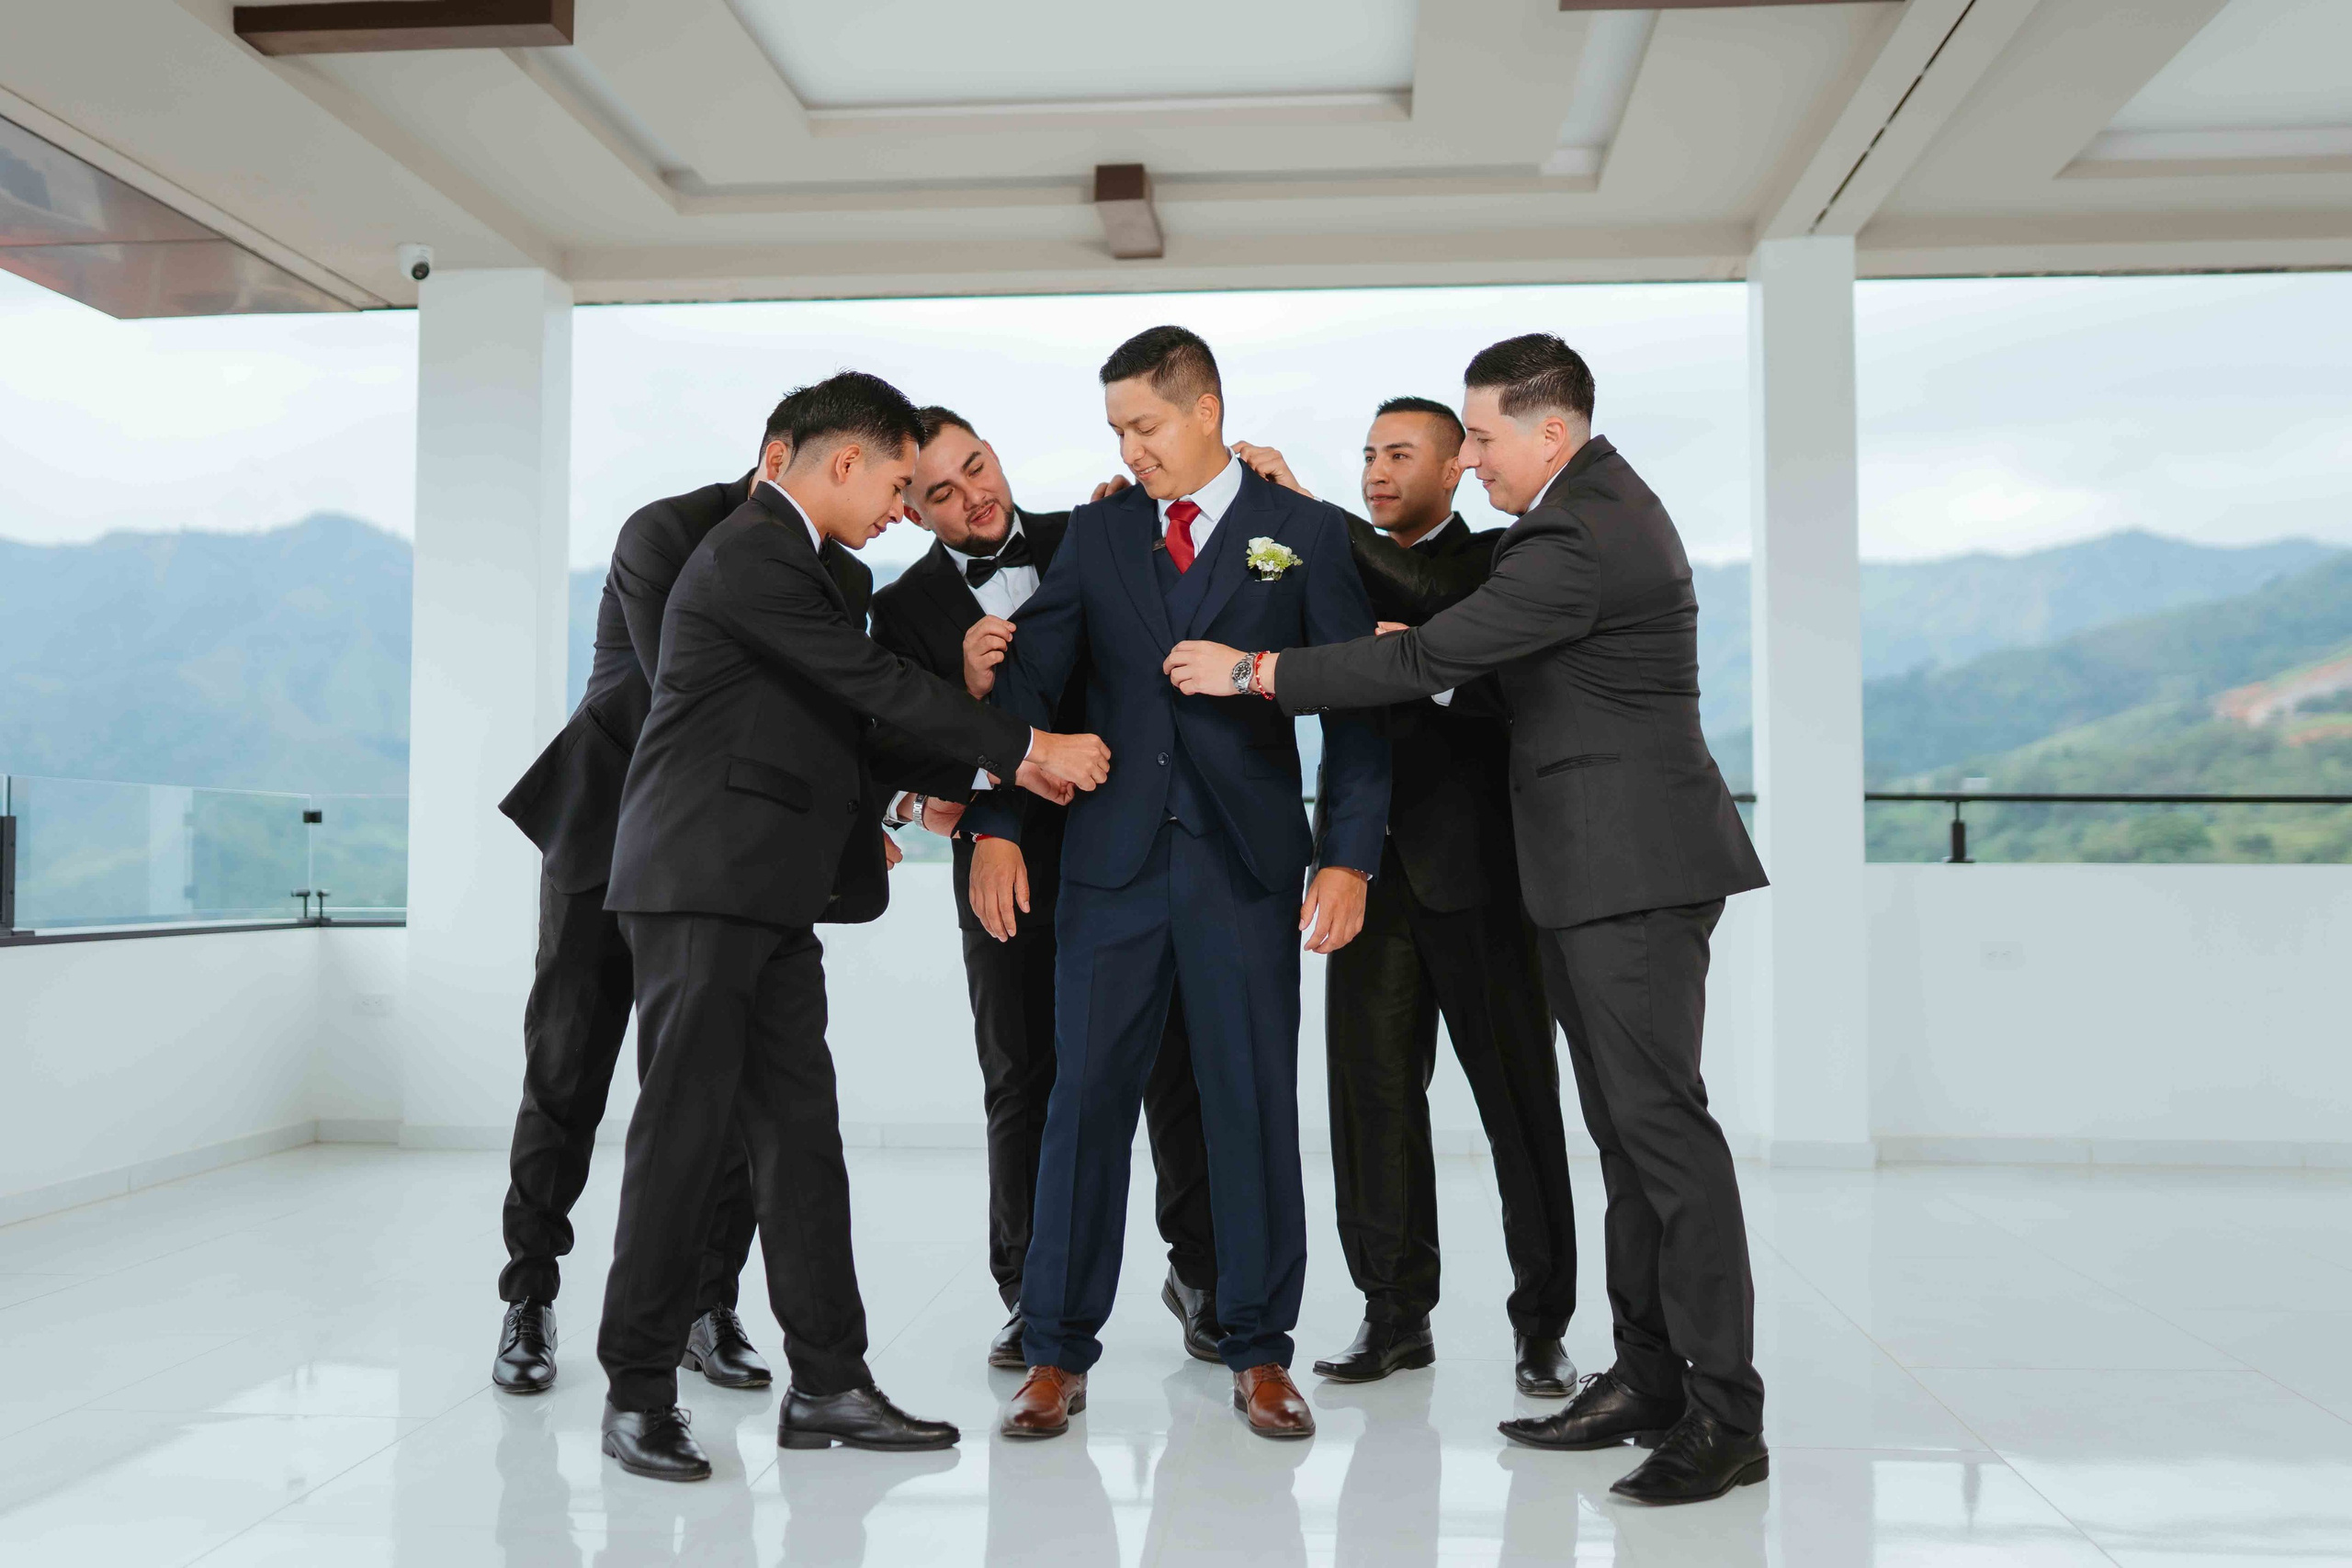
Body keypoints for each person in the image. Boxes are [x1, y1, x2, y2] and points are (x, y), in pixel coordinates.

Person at [1164, 334, 1770, 1506]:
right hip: (1598, 871)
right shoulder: (1594, 514)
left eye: (1483, 438)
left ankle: (1725, 1415)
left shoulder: (1569, 530)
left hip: (1628, 871)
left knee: (1664, 1143)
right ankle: (1649, 1380)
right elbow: (1517, 674)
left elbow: (1438, 654)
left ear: (1551, 431)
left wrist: (1254, 674)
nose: (1473, 458)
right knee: (1625, 1140)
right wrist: (1436, 662)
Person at [592, 371, 1112, 1482]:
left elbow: (849, 729)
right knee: (682, 1139)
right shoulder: (750, 553)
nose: (900, 509)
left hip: (772, 891)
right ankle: (635, 1392)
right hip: (700, 883)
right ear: (842, 463)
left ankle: (829, 1383)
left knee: (799, 1142)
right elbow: (870, 683)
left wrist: (962, 776)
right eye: (895, 484)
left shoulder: (815, 567)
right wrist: (1023, 747)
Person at [963, 326, 1390, 1441]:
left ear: (1205, 409)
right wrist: (999, 824)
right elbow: (1038, 685)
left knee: (1250, 1104)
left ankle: (1258, 1349)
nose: (1130, 449)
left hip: (1244, 871)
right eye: (1117, 431)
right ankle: (1054, 1352)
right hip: (1108, 870)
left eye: (1144, 426)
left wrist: (1347, 856)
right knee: (1082, 1106)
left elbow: (1355, 705)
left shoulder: (1302, 533)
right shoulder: (1100, 532)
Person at [1229, 398, 1579, 1397]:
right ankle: (1393, 1313)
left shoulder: (1500, 560)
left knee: (1519, 1107)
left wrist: (1304, 507)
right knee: (1370, 1103)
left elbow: (1473, 647)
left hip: (1482, 881)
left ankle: (1542, 1326)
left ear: (1459, 465)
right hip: (1364, 876)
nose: (1377, 472)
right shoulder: (1334, 571)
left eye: (1400, 454)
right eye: (1368, 455)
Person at [868, 407, 1223, 1370]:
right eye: (941, 492)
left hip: (1134, 845)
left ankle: (1202, 1274)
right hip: (1003, 860)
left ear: (995, 452)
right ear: (911, 509)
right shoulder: (900, 611)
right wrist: (965, 700)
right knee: (1022, 1073)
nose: (973, 497)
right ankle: (1030, 1291)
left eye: (976, 466)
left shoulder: (1094, 532)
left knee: (1174, 1062)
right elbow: (895, 749)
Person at [492, 446, 773, 1396]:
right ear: (781, 459)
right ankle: (528, 1297)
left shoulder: (820, 567)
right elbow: (687, 690)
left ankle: (706, 1305)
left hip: (709, 852)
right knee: (564, 1069)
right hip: (601, 834)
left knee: (713, 1084)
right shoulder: (664, 531)